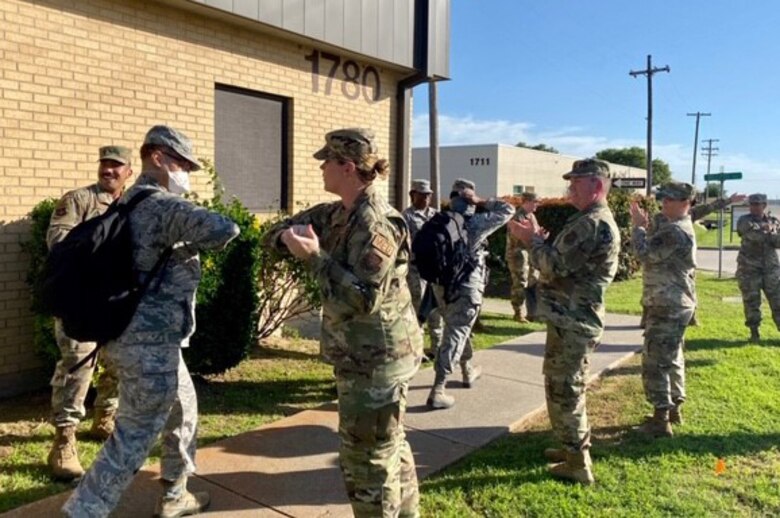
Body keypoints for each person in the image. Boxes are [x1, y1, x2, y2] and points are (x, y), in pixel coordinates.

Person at [63, 126, 240, 518]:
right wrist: (189, 238)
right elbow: (226, 229)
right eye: (180, 163)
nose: (185, 173)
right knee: (133, 436)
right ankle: (82, 512)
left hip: (139, 339)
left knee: (183, 409)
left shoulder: (126, 202)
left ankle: (175, 495)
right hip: (148, 345)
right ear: (157, 158)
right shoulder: (160, 205)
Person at [265, 128, 422, 517]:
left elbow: (364, 299)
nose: (321, 167)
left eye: (327, 161)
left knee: (367, 461)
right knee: (388, 446)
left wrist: (315, 258)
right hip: (359, 354)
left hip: (378, 359)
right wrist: (286, 237)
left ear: (348, 168)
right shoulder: (336, 213)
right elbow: (276, 233)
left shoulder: (376, 224)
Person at [508, 158, 620, 485]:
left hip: (574, 320)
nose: (569, 188)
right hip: (572, 318)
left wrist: (532, 241)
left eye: (576, 182)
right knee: (563, 385)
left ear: (596, 186)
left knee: (565, 389)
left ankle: (577, 462)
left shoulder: (591, 223)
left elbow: (553, 265)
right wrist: (541, 242)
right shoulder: (588, 219)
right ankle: (571, 447)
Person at [45, 145, 133, 480]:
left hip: (115, 301)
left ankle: (104, 418)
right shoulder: (79, 200)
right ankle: (64, 442)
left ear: (129, 172)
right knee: (77, 367)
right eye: (104, 165)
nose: (108, 170)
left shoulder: (131, 203)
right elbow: (58, 240)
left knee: (117, 362)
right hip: (79, 301)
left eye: (116, 166)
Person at [426, 179, 514, 410]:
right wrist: (481, 200)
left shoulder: (439, 221)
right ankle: (438, 389)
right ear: (468, 200)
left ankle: (467, 371)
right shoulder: (475, 223)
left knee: (458, 329)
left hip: (441, 288)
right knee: (456, 333)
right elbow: (508, 209)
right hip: (466, 290)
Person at [630, 182, 697, 437]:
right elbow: (658, 229)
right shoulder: (676, 224)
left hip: (667, 304)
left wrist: (637, 227)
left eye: (670, 200)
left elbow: (645, 254)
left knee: (656, 361)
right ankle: (674, 408)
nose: (664, 203)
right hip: (672, 302)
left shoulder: (675, 231)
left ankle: (660, 420)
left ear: (685, 203)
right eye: (663, 199)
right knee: (672, 357)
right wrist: (647, 222)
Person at [402, 179, 444, 358]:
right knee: (418, 309)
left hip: (434, 270)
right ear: (413, 195)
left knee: (436, 308)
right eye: (423, 195)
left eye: (429, 195)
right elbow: (404, 243)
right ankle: (417, 350)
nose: (426, 198)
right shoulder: (406, 216)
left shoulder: (436, 214)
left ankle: (437, 347)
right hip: (416, 270)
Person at [735, 193, 780, 343]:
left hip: (771, 269)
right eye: (752, 204)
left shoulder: (774, 221)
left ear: (764, 205)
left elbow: (777, 242)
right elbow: (751, 235)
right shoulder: (744, 220)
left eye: (757, 204)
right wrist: (768, 231)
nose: (754, 207)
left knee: (778, 301)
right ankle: (754, 333)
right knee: (752, 302)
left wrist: (772, 231)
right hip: (749, 269)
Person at [505, 192, 540, 323]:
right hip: (517, 255)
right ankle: (518, 312)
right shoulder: (517, 217)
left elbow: (534, 233)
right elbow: (518, 236)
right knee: (520, 283)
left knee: (533, 281)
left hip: (530, 255)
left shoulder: (531, 216)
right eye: (536, 201)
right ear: (526, 202)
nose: (537, 204)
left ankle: (532, 313)